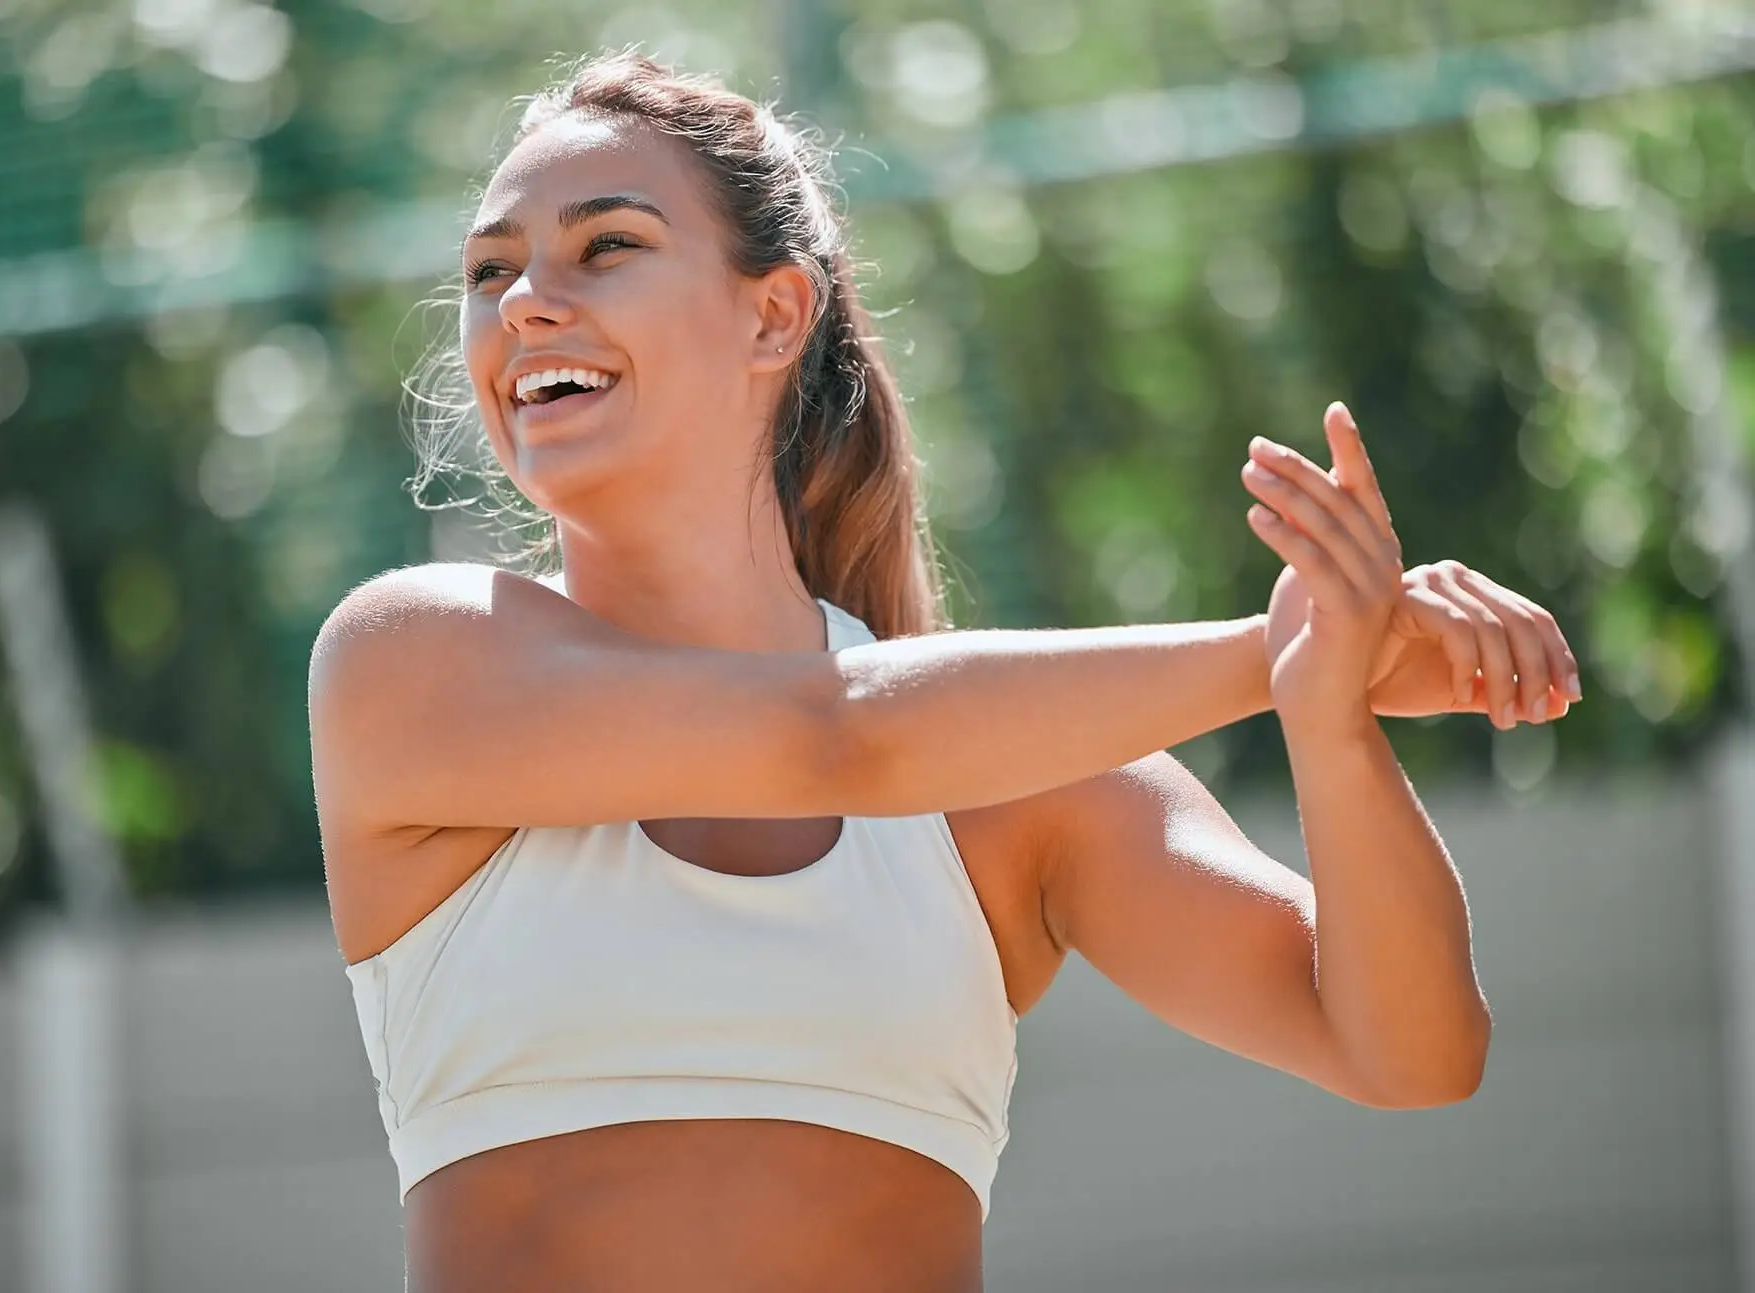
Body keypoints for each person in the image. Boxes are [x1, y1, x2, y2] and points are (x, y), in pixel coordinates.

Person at [307, 50, 1579, 1293]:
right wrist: (1283, 653)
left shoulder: (1014, 784)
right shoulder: (412, 660)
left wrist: (1333, 718)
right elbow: (834, 738)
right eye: (489, 269)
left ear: (774, 312)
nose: (525, 298)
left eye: (608, 246)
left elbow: (1410, 1050)